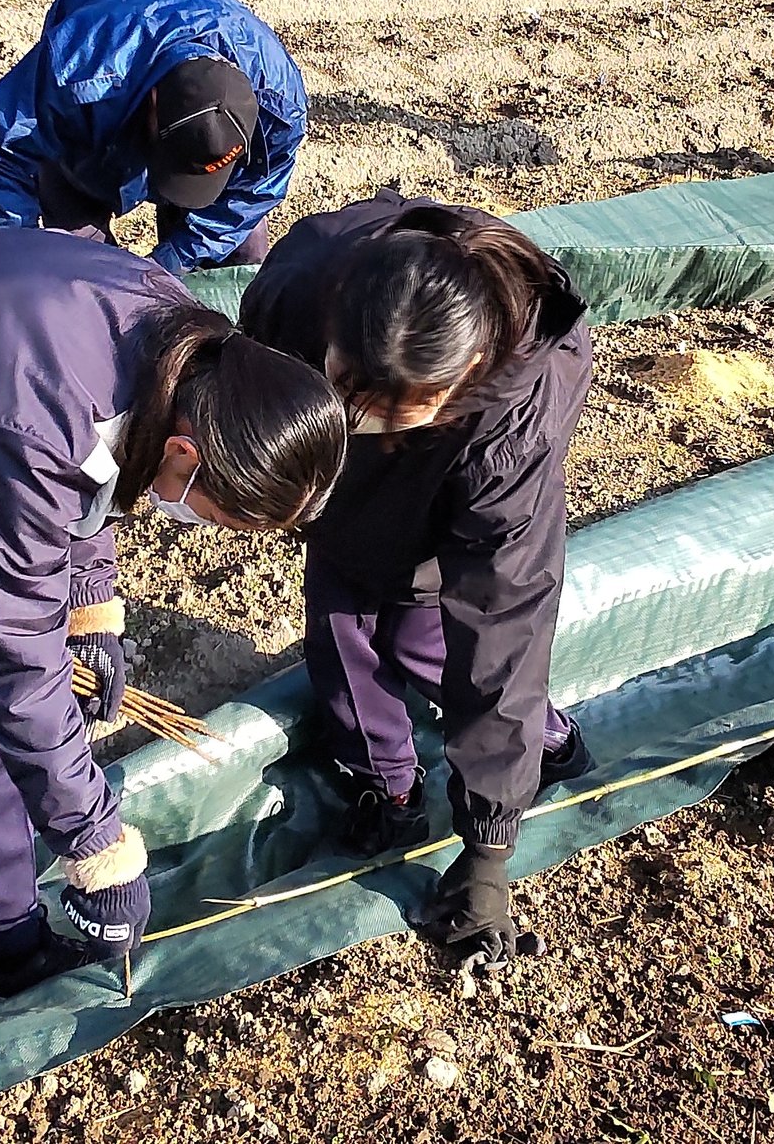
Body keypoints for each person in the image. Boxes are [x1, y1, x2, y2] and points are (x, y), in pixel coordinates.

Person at [0, 230, 347, 999]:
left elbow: (102, 469)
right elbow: (11, 652)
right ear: (187, 455)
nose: (204, 527)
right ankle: (2, 941)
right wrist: (95, 844)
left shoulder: (179, 342)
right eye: (220, 516)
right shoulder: (33, 420)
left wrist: (89, 611)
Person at [239, 193, 594, 968]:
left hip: (447, 490)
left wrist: (488, 854)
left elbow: (502, 619)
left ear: (460, 376)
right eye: (341, 384)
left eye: (387, 411)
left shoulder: (513, 423)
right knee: (341, 630)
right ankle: (385, 787)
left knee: (433, 637)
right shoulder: (302, 282)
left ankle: (543, 746)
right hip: (340, 500)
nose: (354, 413)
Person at [0, 0, 307, 273]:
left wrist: (170, 262)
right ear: (154, 102)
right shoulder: (81, 71)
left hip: (181, 42)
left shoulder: (279, 105)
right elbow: (1, 146)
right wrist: (19, 252)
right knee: (82, 261)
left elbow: (253, 193)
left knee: (242, 252)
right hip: (99, 116)